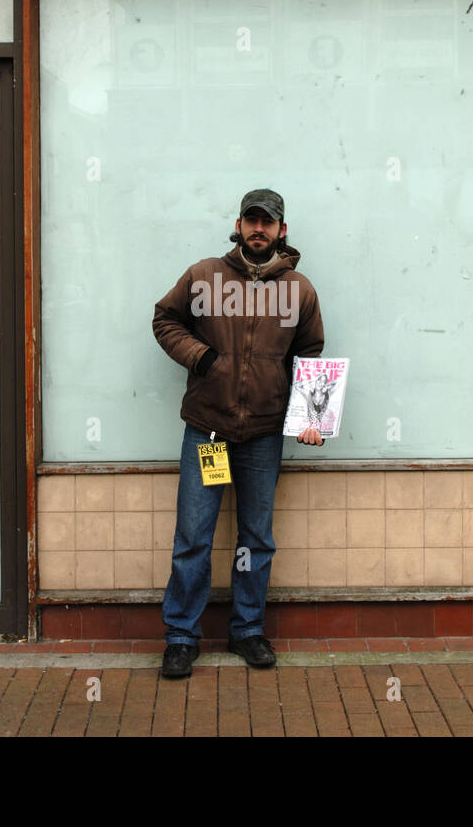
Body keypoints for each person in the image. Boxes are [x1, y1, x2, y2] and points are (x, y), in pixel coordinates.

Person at [152, 188, 325, 678]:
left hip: (265, 434)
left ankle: (247, 630)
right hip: (209, 430)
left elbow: (309, 355)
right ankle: (182, 636)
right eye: (251, 220)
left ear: (281, 230)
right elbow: (165, 319)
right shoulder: (204, 276)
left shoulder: (300, 290)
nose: (259, 229)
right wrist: (201, 357)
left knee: (255, 538)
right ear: (238, 224)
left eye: (267, 223)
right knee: (193, 536)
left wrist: (310, 419)